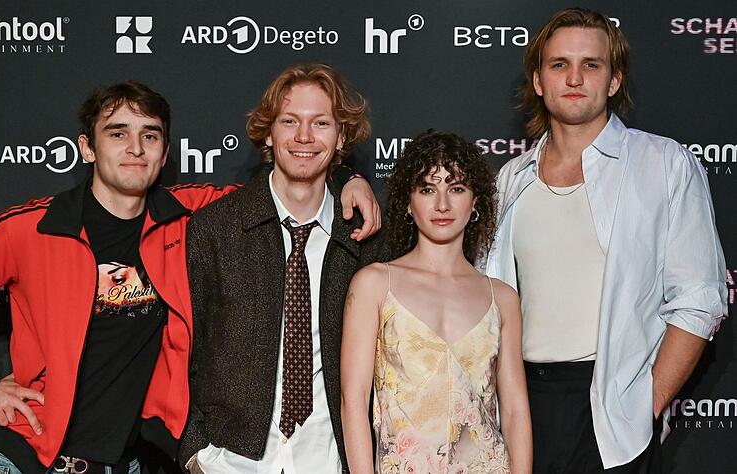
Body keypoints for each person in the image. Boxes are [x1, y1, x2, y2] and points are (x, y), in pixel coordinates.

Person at [0, 80, 379, 473]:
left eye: (149, 135)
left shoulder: (190, 215)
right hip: (27, 459)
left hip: (127, 463)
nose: (135, 149)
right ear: (87, 146)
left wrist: (346, 181)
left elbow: (292, 184)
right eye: (117, 134)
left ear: (165, 150)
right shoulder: (33, 226)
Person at [485, 7, 728, 472]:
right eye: (559, 64)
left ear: (614, 80)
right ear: (538, 81)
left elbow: (700, 299)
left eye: (590, 65)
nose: (574, 77)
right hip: (518, 405)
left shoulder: (663, 164)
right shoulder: (509, 180)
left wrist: (643, 405)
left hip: (611, 410)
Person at [178, 63, 388, 474]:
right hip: (231, 462)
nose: (304, 137)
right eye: (289, 121)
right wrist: (196, 453)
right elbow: (184, 345)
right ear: (269, 134)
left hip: (330, 459)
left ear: (341, 136)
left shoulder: (367, 237)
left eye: (321, 123)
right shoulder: (215, 228)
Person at [341, 130, 532, 473]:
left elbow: (516, 410)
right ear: (408, 202)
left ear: (475, 202)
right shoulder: (374, 284)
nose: (442, 204)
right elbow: (353, 403)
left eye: (456, 188)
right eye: (428, 189)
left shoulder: (502, 298)